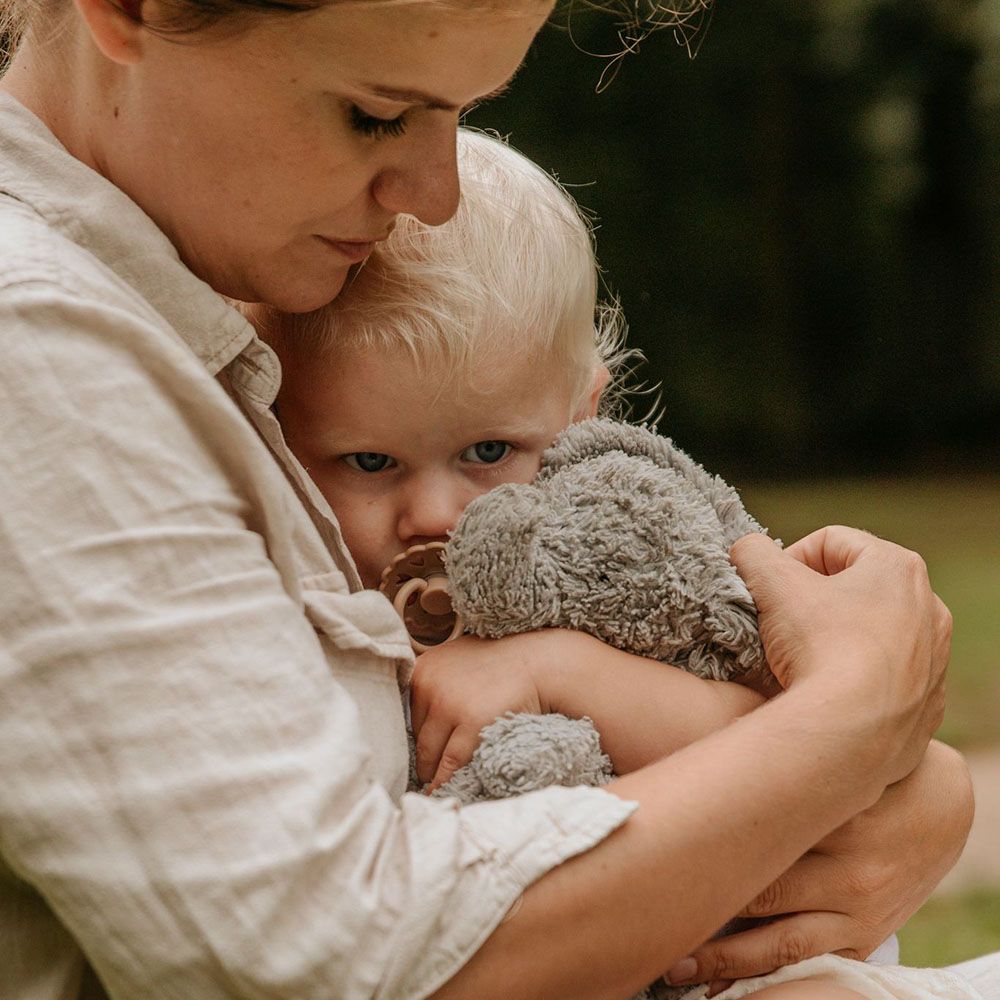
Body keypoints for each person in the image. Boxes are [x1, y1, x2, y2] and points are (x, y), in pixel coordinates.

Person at [0, 0, 987, 997]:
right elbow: (331, 960)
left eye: (461, 112)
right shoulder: (36, 347)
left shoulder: (180, 298)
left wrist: (907, 787)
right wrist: (849, 724)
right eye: (375, 114)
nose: (435, 195)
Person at [249, 127, 982, 1000]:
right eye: (369, 463)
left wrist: (563, 672)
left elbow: (795, 736)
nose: (439, 512)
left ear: (582, 410)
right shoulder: (300, 597)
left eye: (489, 449)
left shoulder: (617, 555)